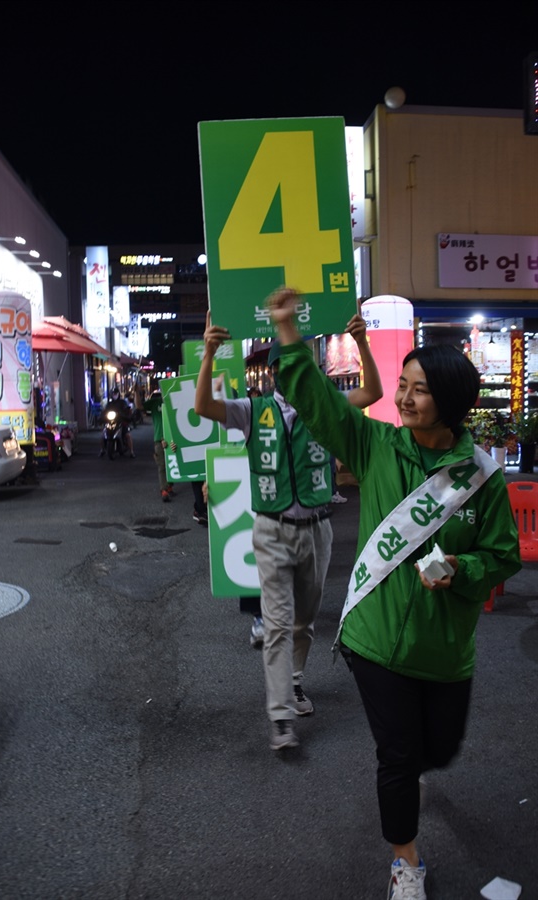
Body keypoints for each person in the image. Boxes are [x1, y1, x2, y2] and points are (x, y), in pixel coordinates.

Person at [267, 286, 521, 900]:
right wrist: (288, 335)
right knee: (398, 755)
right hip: (374, 640)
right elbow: (319, 403)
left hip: (445, 648)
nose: (404, 397)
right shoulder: (376, 445)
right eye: (402, 385)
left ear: (452, 401)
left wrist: (462, 569)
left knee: (440, 748)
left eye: (420, 388)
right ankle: (406, 862)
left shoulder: (480, 478)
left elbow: (503, 554)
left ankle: (411, 781)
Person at [194, 309, 383, 751]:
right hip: (271, 530)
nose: (288, 374)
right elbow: (204, 407)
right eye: (281, 366)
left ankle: (294, 681)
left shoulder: (328, 409)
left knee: (304, 619)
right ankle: (280, 716)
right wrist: (208, 355)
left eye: (299, 366)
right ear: (274, 372)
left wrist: (362, 343)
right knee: (277, 623)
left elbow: (372, 391)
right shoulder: (252, 410)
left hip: (317, 530)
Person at [142, 379, 174, 502]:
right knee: (161, 465)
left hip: (173, 438)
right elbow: (140, 406)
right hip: (159, 438)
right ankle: (164, 489)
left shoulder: (174, 401)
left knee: (172, 463)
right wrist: (136, 393)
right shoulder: (155, 402)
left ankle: (170, 485)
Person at [99, 387, 135, 457]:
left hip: (121, 422)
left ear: (118, 394)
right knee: (103, 435)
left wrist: (124, 414)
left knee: (127, 435)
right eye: (113, 393)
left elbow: (127, 410)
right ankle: (102, 450)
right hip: (110, 422)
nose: (114, 395)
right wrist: (101, 417)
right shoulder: (109, 404)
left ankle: (131, 451)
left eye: (116, 393)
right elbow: (105, 411)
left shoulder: (123, 402)